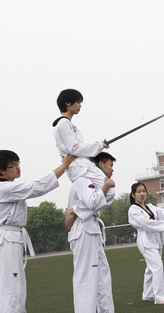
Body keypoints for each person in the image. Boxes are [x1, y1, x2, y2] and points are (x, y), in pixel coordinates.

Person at [0, 150, 76, 313]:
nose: (18, 167)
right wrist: (64, 165)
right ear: (2, 170)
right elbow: (38, 186)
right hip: (6, 238)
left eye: (18, 162)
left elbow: (36, 186)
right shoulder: (5, 188)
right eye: (13, 165)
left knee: (18, 284)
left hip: (13, 236)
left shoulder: (11, 185)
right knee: (8, 285)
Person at [68, 152, 124, 313]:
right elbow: (93, 202)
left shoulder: (97, 183)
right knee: (86, 274)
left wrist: (75, 211)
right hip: (83, 229)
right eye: (110, 165)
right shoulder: (84, 180)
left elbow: (101, 203)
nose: (112, 169)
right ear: (99, 164)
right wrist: (105, 188)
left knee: (102, 272)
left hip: (91, 228)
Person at [53, 89, 114, 228]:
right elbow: (74, 148)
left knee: (99, 196)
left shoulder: (68, 124)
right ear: (68, 103)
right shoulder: (63, 123)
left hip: (82, 165)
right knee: (109, 191)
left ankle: (76, 212)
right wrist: (99, 145)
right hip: (80, 167)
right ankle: (75, 212)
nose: (80, 105)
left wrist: (99, 146)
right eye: (78, 102)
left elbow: (76, 147)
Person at [128, 182, 164, 305]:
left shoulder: (149, 207)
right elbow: (144, 223)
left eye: (144, 191)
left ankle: (147, 294)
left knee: (151, 268)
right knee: (157, 266)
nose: (142, 194)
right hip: (145, 240)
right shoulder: (133, 210)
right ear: (133, 195)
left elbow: (161, 212)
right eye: (139, 192)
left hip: (156, 239)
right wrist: (163, 224)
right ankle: (160, 297)